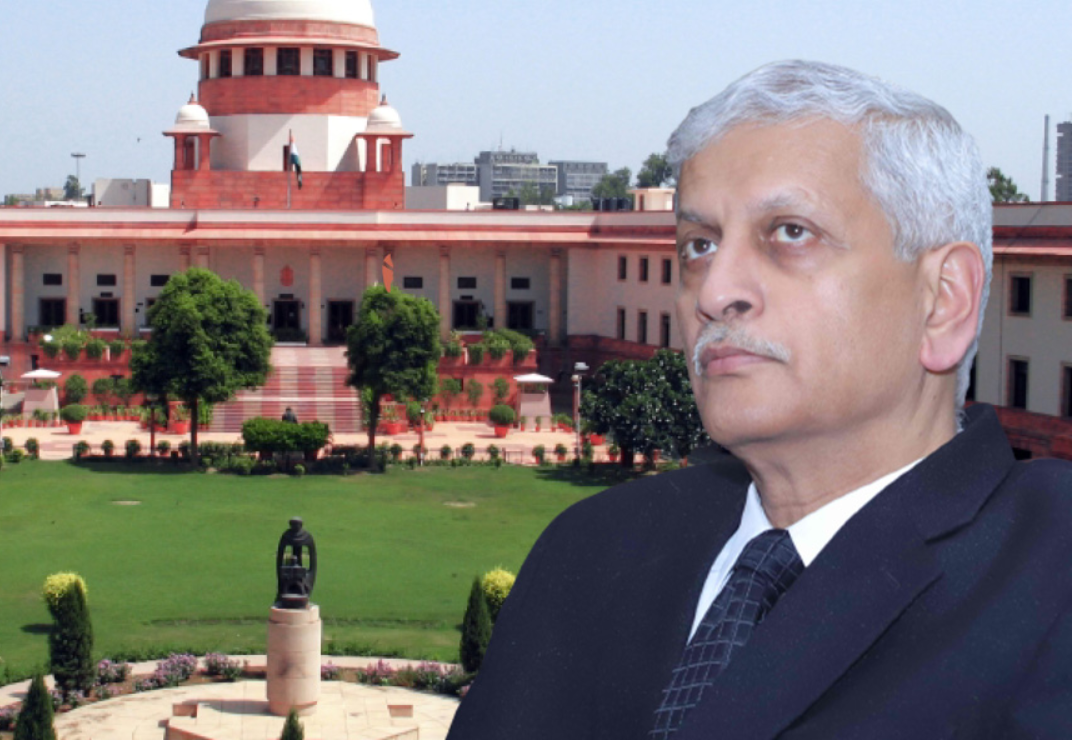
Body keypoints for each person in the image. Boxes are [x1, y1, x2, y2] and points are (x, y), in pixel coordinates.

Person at [447, 61, 1072, 738]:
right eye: (699, 245)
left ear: (942, 301)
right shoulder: (591, 550)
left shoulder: (1050, 574)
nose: (715, 291)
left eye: (790, 232)